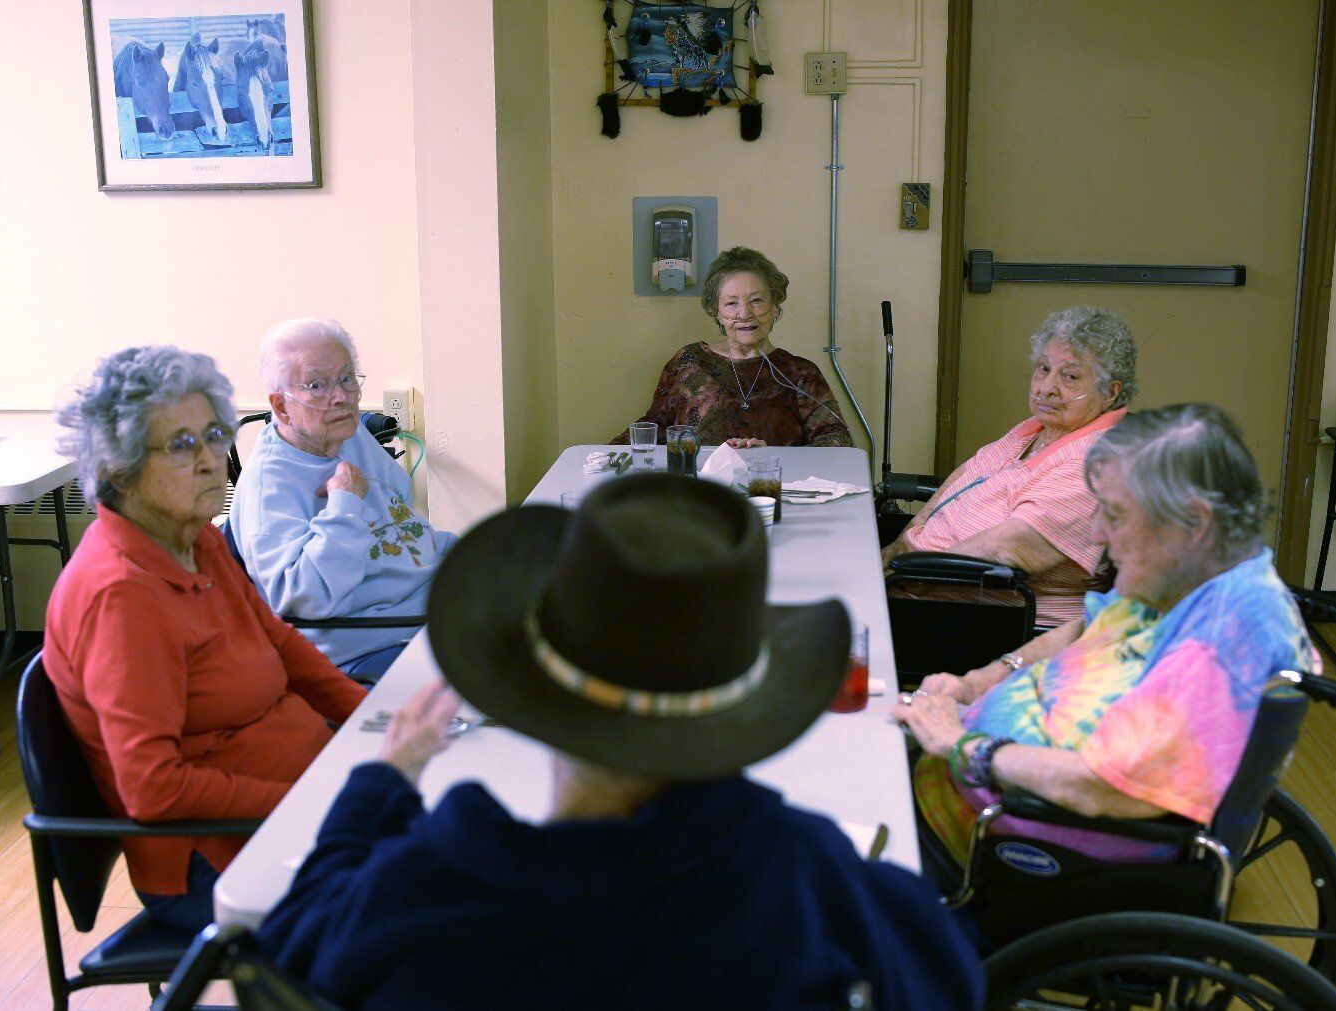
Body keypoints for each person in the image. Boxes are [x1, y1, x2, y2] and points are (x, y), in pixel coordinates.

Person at [258, 476, 983, 1009]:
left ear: (532, 688)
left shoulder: (434, 881)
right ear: (746, 701)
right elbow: (947, 977)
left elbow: (290, 946)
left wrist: (384, 781)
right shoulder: (814, 882)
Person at [894, 404, 1320, 868]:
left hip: (1026, 842)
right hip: (980, 780)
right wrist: (976, 685)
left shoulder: (1219, 641)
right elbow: (1086, 627)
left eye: (1115, 515)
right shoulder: (1184, 576)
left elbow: (1103, 787)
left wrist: (959, 744)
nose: (1096, 532)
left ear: (1193, 522)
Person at [46, 347, 367, 932]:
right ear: (118, 468)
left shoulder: (197, 539)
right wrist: (305, 803)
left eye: (213, 435)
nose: (209, 461)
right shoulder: (121, 596)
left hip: (300, 802)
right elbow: (153, 790)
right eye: (179, 445)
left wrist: (372, 720)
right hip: (222, 858)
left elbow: (281, 646)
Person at [883, 305, 1138, 628]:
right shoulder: (1034, 430)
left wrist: (898, 578)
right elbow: (959, 484)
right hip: (917, 580)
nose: (1046, 387)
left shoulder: (1095, 464)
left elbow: (1006, 550)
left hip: (983, 620)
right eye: (1043, 368)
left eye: (1070, 377)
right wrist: (895, 549)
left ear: (1109, 393)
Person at [229, 318, 456, 681]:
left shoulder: (346, 436)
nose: (341, 397)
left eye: (347, 379)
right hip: (373, 646)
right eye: (317, 386)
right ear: (282, 406)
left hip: (431, 609)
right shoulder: (269, 485)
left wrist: (475, 553)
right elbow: (304, 598)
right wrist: (344, 504)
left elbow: (404, 530)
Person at [611, 247, 854, 448]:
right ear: (716, 311)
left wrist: (771, 455)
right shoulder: (689, 363)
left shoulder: (800, 373)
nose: (745, 314)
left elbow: (836, 441)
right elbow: (655, 428)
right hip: (699, 495)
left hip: (773, 492)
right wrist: (603, 457)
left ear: (776, 306)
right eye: (731, 303)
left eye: (756, 301)